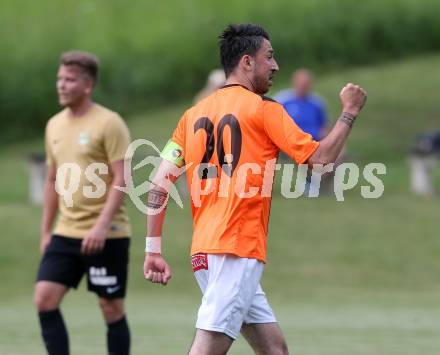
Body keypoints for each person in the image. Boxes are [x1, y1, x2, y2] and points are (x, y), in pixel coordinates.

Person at [143, 24, 367, 355]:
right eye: (269, 57)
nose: (275, 66)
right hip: (236, 249)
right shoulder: (264, 109)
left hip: (205, 252)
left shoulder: (191, 116)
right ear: (247, 62)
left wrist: (152, 249)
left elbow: (158, 185)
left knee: (275, 350)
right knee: (207, 348)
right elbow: (320, 161)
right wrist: (349, 112)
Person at [34, 50, 132, 355]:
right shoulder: (54, 125)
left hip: (107, 234)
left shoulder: (109, 123)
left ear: (87, 85)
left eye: (70, 80)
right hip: (66, 232)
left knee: (110, 308)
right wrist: (46, 231)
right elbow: (52, 180)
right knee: (44, 299)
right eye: (60, 78)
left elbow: (122, 179)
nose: (61, 85)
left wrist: (101, 227)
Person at [274, 68, 328, 141]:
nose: (303, 86)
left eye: (306, 83)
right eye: (301, 83)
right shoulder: (282, 100)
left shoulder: (317, 102)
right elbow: (273, 124)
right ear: (294, 82)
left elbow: (324, 126)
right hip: (289, 143)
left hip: (313, 142)